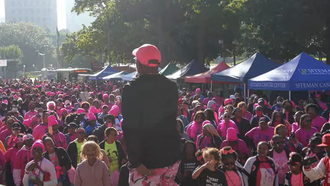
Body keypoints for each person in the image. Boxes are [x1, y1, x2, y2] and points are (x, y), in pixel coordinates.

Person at [122, 44, 181, 185]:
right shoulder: (171, 87)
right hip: (170, 158)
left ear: (140, 66)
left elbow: (130, 128)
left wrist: (135, 161)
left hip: (146, 162)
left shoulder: (131, 89)